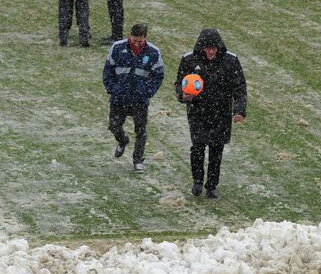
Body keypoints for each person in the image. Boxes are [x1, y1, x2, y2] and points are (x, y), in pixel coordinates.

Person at [175, 29, 247, 198]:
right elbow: (179, 83)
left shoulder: (230, 61)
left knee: (216, 149)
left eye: (213, 48)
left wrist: (240, 110)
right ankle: (197, 181)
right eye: (207, 48)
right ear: (201, 47)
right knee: (198, 147)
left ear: (219, 47)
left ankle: (211, 185)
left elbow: (240, 88)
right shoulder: (189, 60)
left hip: (221, 112)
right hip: (197, 111)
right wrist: (182, 95)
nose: (210, 52)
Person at [103, 24, 164, 173]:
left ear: (145, 38)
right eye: (134, 40)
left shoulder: (153, 52)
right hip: (119, 97)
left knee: (141, 131)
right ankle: (123, 141)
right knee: (113, 126)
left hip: (139, 99)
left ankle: (138, 160)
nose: (136, 44)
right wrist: (112, 88)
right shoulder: (117, 48)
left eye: (140, 41)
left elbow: (158, 75)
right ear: (129, 35)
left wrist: (147, 92)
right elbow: (108, 69)